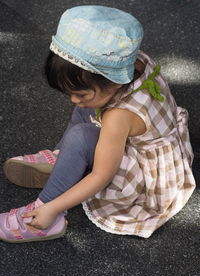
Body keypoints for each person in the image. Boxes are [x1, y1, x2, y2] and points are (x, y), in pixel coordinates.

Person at [0, 5, 196, 243]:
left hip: (145, 177)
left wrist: (51, 208)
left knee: (81, 137)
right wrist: (86, 100)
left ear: (113, 83)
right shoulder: (133, 61)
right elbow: (93, 98)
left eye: (80, 94)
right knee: (87, 110)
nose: (73, 100)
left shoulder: (118, 116)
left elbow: (102, 176)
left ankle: (46, 213)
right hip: (155, 140)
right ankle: (63, 158)